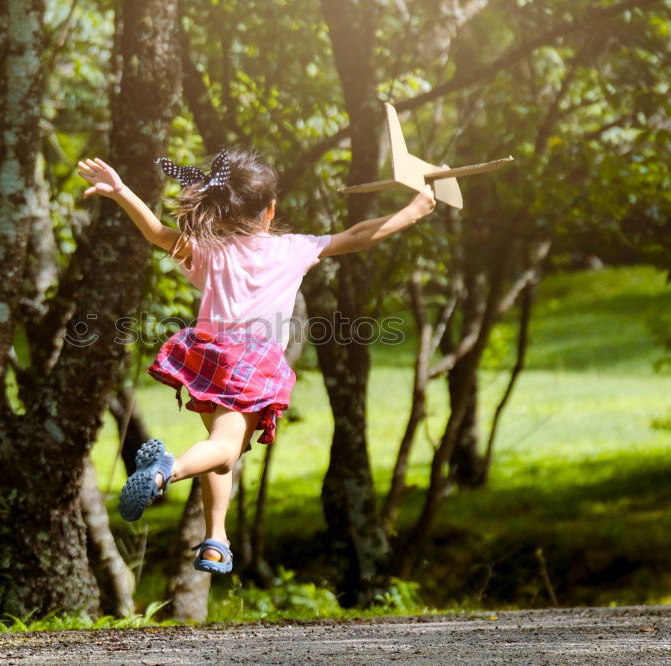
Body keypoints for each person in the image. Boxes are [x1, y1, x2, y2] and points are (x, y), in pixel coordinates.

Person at [77, 148, 435, 574]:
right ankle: (165, 471)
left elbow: (156, 232)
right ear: (270, 210)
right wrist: (414, 209)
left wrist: (120, 192)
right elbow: (358, 235)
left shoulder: (211, 250)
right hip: (252, 362)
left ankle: (216, 539)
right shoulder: (292, 249)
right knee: (225, 448)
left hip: (208, 355)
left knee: (222, 451)